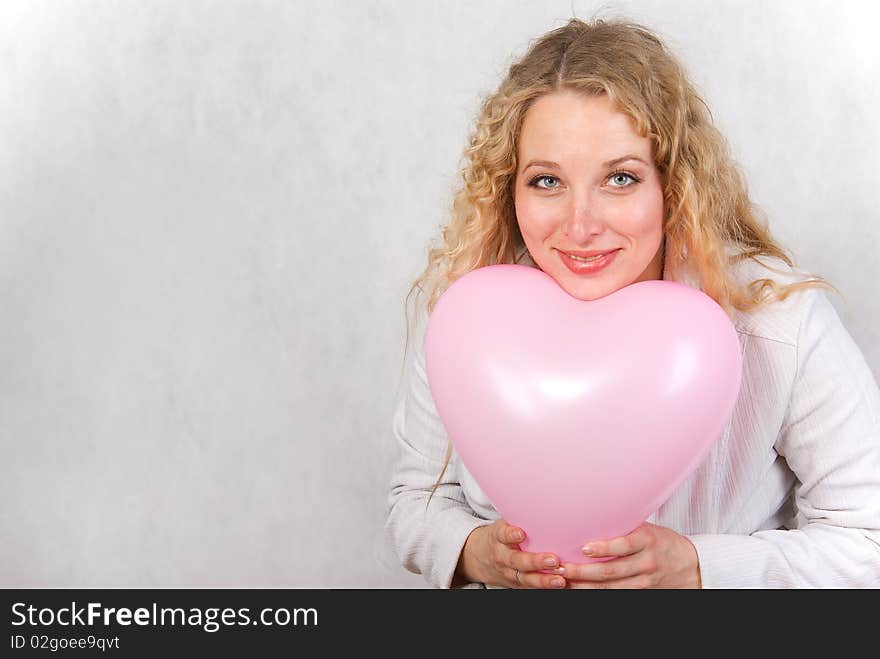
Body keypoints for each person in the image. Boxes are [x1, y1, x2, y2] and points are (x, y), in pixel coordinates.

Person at [384, 18, 880, 588]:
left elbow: (867, 539)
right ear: (508, 188)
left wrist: (697, 568)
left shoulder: (780, 322)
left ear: (673, 184)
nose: (580, 225)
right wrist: (474, 552)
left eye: (619, 178)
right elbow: (414, 499)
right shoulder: (467, 319)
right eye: (547, 181)